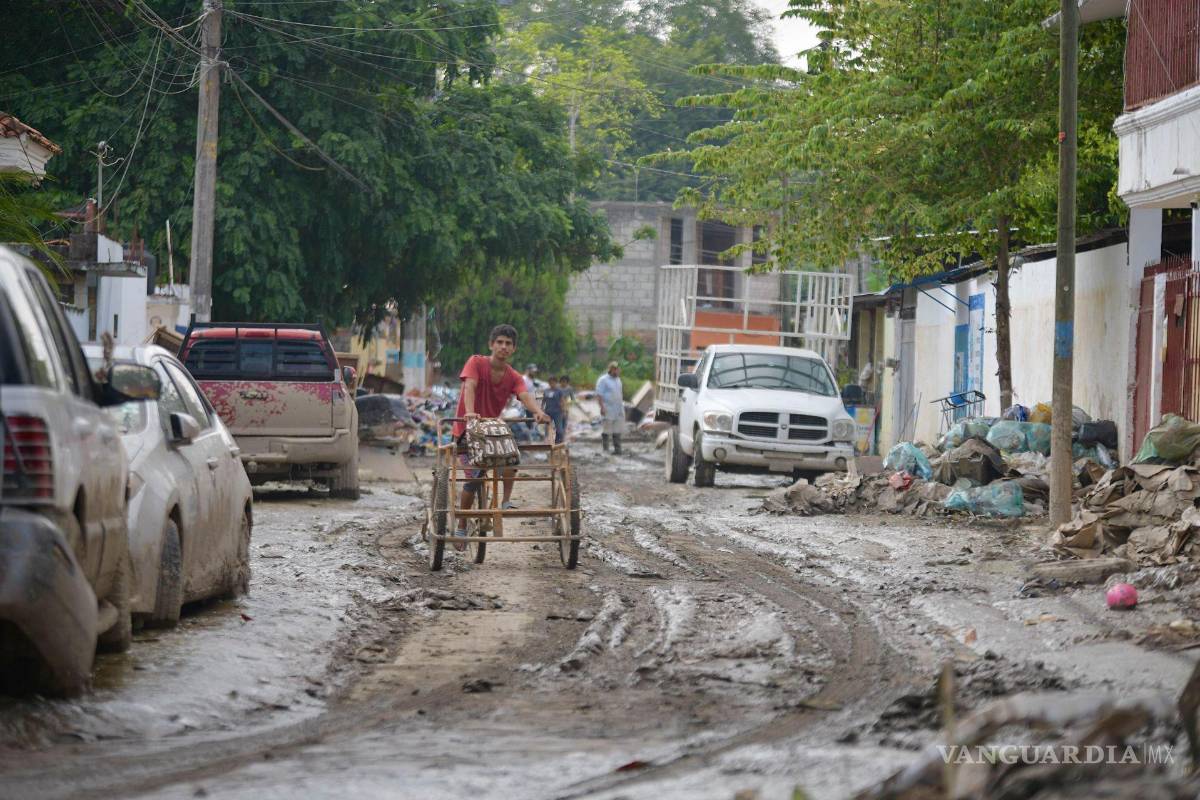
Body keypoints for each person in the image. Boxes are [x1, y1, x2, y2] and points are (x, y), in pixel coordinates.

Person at [453, 325, 550, 545]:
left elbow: (525, 396)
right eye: (500, 342)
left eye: (508, 344)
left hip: (492, 432)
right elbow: (470, 386)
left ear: (513, 349)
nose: (503, 347)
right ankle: (461, 526)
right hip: (466, 431)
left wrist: (538, 412)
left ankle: (506, 500)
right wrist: (469, 413)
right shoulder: (476, 363)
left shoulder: (514, 376)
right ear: (491, 344)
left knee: (512, 456)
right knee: (474, 477)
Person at [595, 361, 624, 454]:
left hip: (618, 408)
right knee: (607, 429)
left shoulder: (618, 380)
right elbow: (599, 395)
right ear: (611, 369)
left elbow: (619, 393)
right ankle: (606, 449)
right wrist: (602, 407)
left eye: (618, 370)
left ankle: (617, 449)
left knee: (617, 429)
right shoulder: (603, 380)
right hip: (608, 408)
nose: (618, 371)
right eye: (616, 369)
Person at [542, 376, 566, 444]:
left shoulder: (559, 391)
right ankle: (547, 441)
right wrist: (541, 409)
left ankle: (559, 441)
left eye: (553, 382)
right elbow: (544, 400)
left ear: (556, 383)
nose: (552, 384)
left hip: (557, 412)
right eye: (550, 382)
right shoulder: (546, 391)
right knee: (547, 428)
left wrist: (563, 411)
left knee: (559, 429)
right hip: (548, 412)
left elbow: (562, 401)